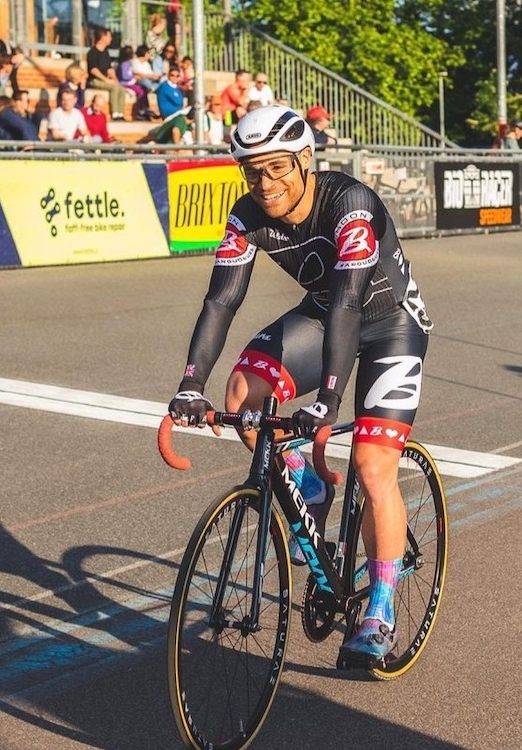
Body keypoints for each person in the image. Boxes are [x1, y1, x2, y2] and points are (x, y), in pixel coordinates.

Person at [167, 105, 434, 666]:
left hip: (390, 325)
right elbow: (221, 299)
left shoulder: (350, 205)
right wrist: (191, 384)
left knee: (371, 464)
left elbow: (348, 302)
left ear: (306, 159)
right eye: (253, 172)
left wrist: (327, 402)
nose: (266, 184)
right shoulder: (246, 216)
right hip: (322, 315)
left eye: (278, 168)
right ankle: (308, 486)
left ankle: (379, 609)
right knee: (243, 396)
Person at [86, 26, 126, 121]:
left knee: (121, 88)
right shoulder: (92, 52)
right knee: (114, 88)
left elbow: (109, 69)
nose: (110, 39)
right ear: (103, 37)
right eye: (109, 36)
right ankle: (115, 113)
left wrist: (115, 80)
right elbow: (93, 70)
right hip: (94, 80)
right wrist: (106, 80)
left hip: (105, 79)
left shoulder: (105, 53)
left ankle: (120, 113)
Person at [116, 46, 155, 121]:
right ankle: (140, 111)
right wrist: (133, 76)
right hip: (126, 83)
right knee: (140, 91)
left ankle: (145, 108)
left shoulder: (129, 63)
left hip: (131, 82)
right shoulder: (124, 64)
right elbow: (125, 76)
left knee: (144, 89)